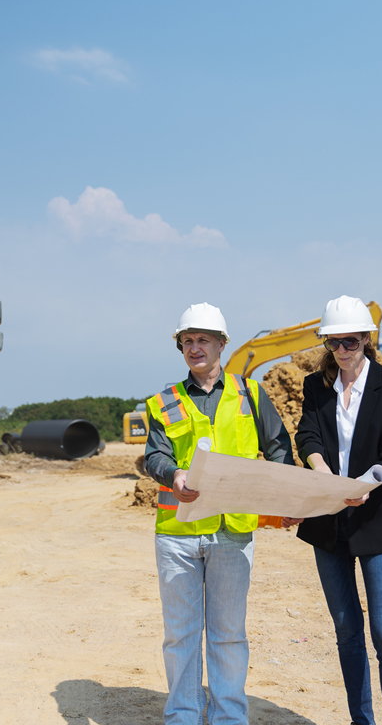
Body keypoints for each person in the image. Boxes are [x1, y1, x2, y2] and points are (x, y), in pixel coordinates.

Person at [143, 302, 295, 725]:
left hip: (232, 531)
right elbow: (154, 454)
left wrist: (282, 495)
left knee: (228, 636)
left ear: (222, 344)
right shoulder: (164, 401)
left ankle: (229, 718)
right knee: (181, 636)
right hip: (178, 533)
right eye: (187, 341)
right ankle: (184, 717)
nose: (195, 348)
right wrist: (172, 473)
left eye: (202, 340)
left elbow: (279, 447)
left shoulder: (249, 393)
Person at [292, 295, 382, 725]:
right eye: (333, 343)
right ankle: (360, 721)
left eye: (350, 342)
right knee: (347, 631)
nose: (342, 351)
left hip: (376, 518)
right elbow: (306, 435)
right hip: (327, 522)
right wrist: (323, 472)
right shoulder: (316, 386)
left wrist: (367, 483)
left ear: (367, 338)